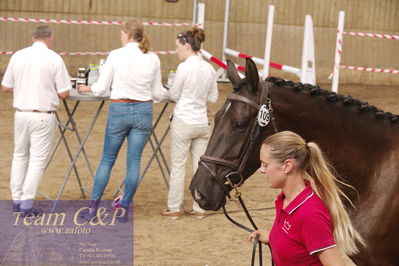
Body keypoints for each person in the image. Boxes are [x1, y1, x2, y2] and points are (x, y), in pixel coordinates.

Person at [77, 19, 163, 223]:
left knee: (107, 159)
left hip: (119, 108)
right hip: (143, 110)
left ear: (126, 34)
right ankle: (123, 207)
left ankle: (93, 208)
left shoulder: (116, 55)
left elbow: (101, 88)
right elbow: (158, 93)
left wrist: (88, 88)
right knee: (133, 162)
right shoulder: (153, 58)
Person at [248, 131, 365, 265]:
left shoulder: (310, 215)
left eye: (265, 164)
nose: (261, 170)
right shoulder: (285, 201)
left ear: (287, 166)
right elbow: (296, 239)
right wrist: (272, 237)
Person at [1, 26, 71, 214]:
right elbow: (64, 93)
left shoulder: (18, 56)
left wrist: (26, 88)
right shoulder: (54, 58)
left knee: (20, 156)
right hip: (42, 115)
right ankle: (26, 203)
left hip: (21, 114)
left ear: (33, 38)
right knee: (37, 161)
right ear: (50, 39)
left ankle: (16, 200)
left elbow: (6, 87)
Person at [160, 28, 218, 219]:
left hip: (184, 120)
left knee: (178, 166)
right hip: (202, 121)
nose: (175, 50)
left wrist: (167, 92)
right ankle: (199, 207)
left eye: (177, 47)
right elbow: (213, 96)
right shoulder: (209, 68)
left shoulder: (185, 67)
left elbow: (174, 94)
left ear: (186, 46)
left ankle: (174, 207)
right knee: (200, 167)